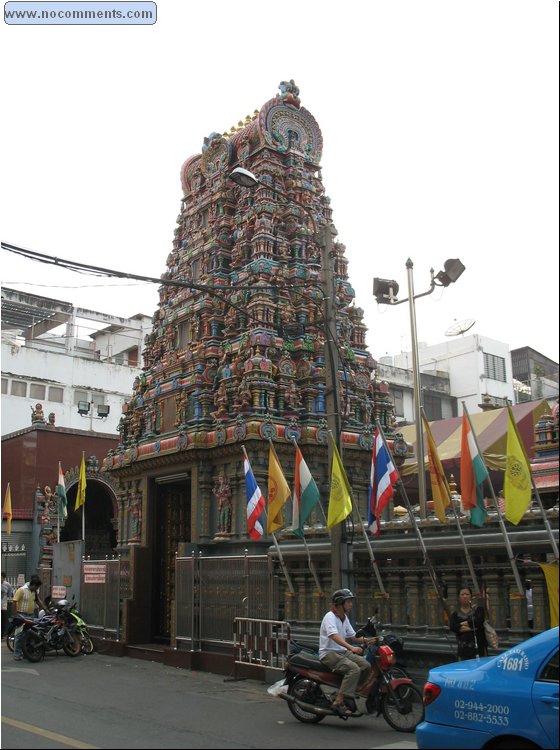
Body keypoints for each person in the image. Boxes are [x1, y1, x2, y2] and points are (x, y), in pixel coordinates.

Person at [319, 588, 371, 716]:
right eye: (348, 602)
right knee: (354, 669)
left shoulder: (344, 618)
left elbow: (353, 636)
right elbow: (334, 636)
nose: (351, 604)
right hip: (329, 653)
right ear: (340, 603)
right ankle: (338, 701)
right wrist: (351, 648)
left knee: (366, 666)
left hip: (341, 652)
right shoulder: (329, 617)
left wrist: (368, 640)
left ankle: (348, 692)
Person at [449, 586, 488, 661]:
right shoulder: (455, 614)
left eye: (467, 594)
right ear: (459, 597)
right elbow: (453, 627)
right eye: (462, 594)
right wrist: (472, 627)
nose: (465, 596)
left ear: (471, 596)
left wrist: (462, 624)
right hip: (463, 650)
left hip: (479, 649)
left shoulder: (478, 610)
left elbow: (479, 622)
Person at [12, 575, 45, 661]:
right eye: (37, 587)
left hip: (31, 615)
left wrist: (45, 609)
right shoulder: (21, 590)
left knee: (30, 634)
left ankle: (26, 652)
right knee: (19, 635)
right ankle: (17, 654)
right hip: (21, 615)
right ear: (33, 585)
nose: (37, 589)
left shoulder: (34, 592)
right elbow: (14, 601)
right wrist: (15, 615)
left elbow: (38, 601)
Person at [1, 572, 14, 638]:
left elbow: (9, 595)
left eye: (1, 578)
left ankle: (1, 635)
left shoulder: (7, 585)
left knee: (3, 621)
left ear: (4, 578)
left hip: (3, 606)